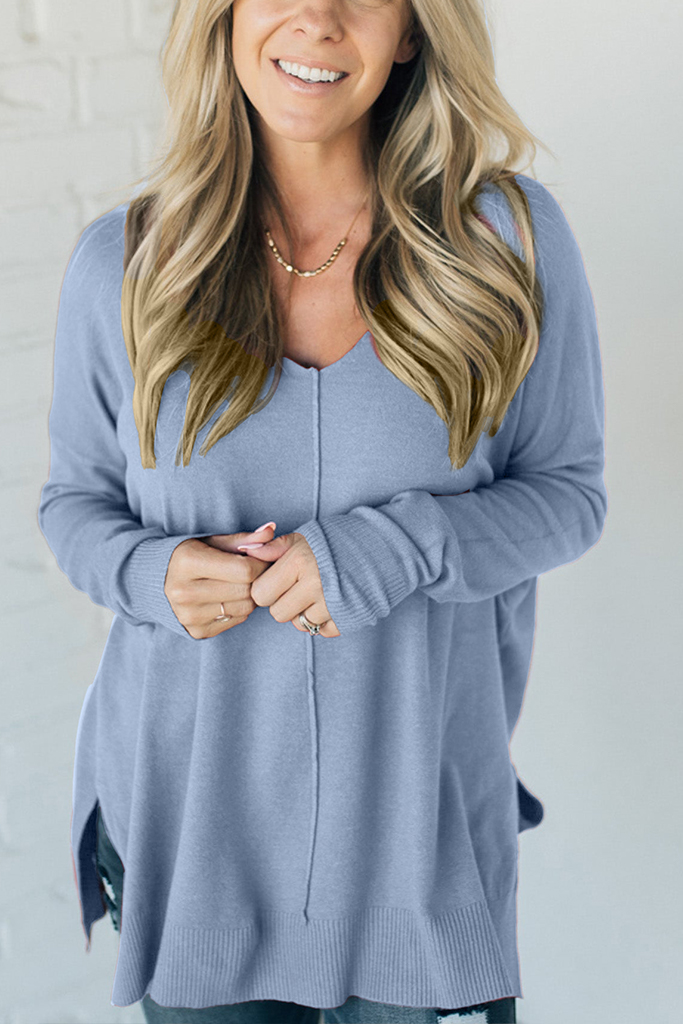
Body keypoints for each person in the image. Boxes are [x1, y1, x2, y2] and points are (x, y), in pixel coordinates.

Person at [38, 0, 607, 1020]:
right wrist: (151, 575)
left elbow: (567, 494)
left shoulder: (504, 240)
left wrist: (402, 545)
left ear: (413, 30)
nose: (317, 18)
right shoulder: (122, 262)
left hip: (417, 856)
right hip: (190, 844)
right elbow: (74, 505)